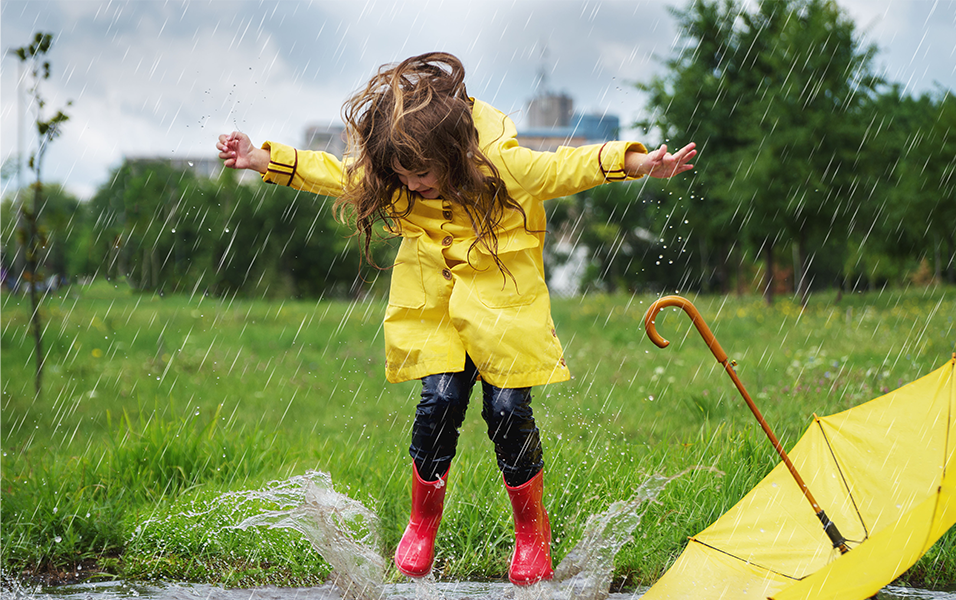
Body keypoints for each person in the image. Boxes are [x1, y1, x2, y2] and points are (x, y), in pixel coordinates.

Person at [217, 52, 696, 586]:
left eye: (422, 175)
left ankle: (532, 533)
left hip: (504, 299)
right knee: (441, 399)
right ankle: (422, 521)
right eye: (403, 176)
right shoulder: (396, 174)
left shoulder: (500, 163)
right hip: (433, 302)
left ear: (450, 155)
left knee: (509, 409)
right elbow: (337, 173)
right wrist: (264, 159)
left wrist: (639, 163)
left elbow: (566, 167)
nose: (413, 185)